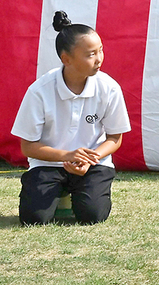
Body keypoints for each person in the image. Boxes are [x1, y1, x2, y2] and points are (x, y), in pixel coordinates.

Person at [11, 11, 131, 225]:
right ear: (66, 59)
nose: (99, 58)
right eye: (90, 54)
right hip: (47, 164)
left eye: (100, 50)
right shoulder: (39, 91)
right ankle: (55, 197)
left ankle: (79, 195)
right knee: (34, 219)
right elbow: (28, 147)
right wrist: (66, 155)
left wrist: (89, 158)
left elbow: (115, 137)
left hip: (93, 164)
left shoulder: (109, 88)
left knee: (93, 216)